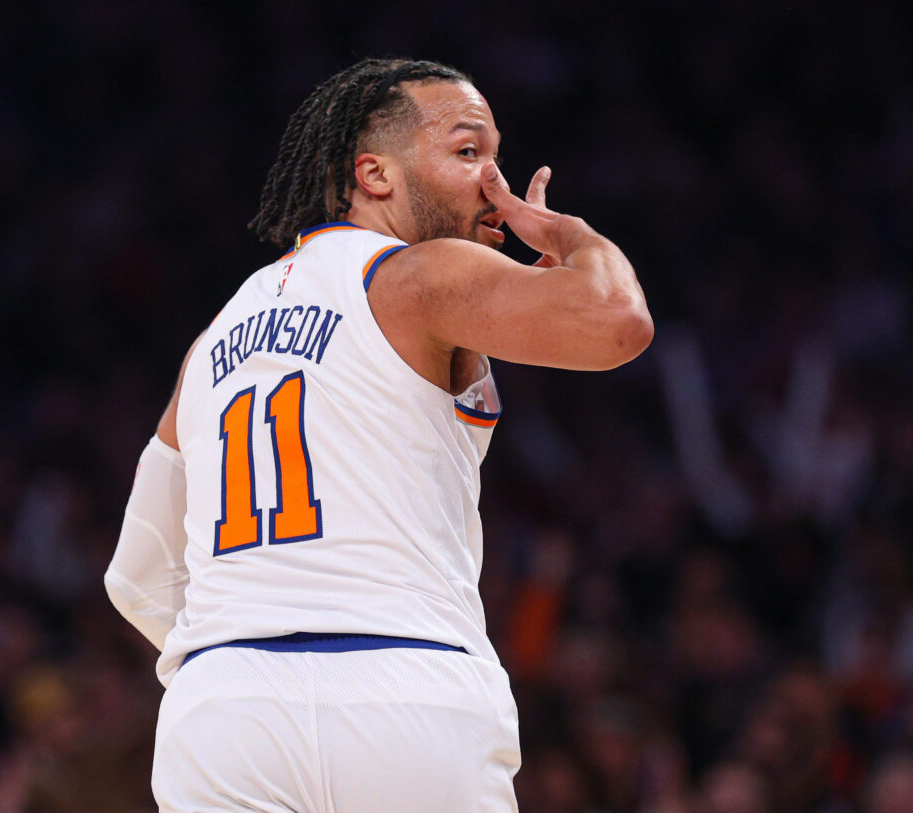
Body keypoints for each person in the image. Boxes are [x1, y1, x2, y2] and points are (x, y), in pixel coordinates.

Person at [104, 57, 652, 811]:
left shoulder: (212, 339)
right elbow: (616, 321)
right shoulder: (417, 276)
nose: (495, 181)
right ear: (376, 174)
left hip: (223, 710)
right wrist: (567, 233)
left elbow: (137, 575)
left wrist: (247, 658)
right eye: (468, 153)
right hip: (406, 686)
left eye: (497, 155)